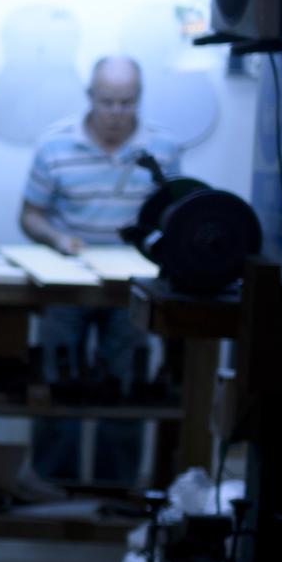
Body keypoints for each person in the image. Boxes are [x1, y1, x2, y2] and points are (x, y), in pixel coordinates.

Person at [20, 56, 181, 485]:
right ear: (90, 96)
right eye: (107, 101)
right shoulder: (54, 144)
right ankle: (54, 489)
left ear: (139, 99)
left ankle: (117, 492)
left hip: (133, 289)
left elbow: (175, 217)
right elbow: (30, 215)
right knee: (57, 389)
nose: (115, 113)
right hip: (68, 285)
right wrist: (58, 239)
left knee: (126, 392)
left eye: (126, 103)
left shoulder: (162, 149)